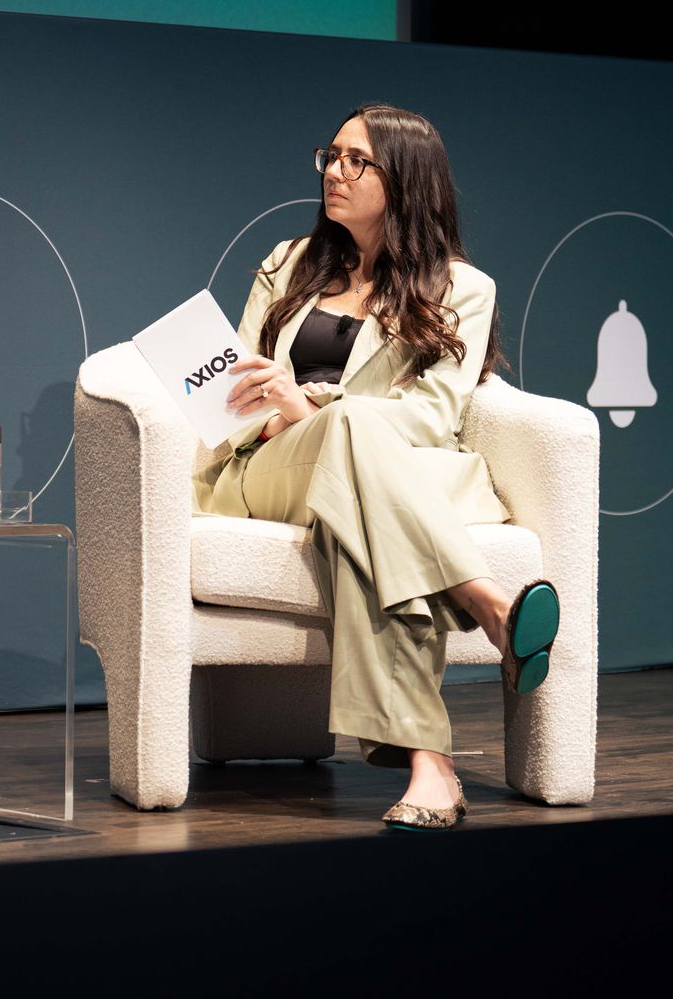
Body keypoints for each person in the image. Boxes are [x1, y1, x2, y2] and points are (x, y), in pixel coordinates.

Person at [194, 104, 561, 831]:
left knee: (357, 522)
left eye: (357, 161)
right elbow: (229, 392)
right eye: (330, 155)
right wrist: (296, 415)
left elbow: (435, 415)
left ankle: (431, 767)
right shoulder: (286, 264)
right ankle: (487, 604)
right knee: (353, 425)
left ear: (408, 182)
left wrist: (316, 407)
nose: (335, 171)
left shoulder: (463, 289)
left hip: (356, 481)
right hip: (268, 467)